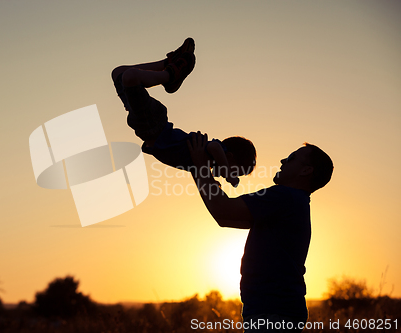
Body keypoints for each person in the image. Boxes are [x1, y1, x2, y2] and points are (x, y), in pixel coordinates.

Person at [188, 133, 333, 332]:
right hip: (272, 312)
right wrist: (200, 169)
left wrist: (200, 166)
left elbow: (222, 209)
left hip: (272, 314)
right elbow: (224, 218)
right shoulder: (292, 203)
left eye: (291, 158)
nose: (283, 160)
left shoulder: (283, 196)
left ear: (306, 170)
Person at [111, 38, 256, 186]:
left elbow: (200, 170)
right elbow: (215, 147)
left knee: (118, 73)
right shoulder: (211, 152)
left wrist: (211, 180)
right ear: (230, 157)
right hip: (154, 125)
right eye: (236, 172)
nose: (234, 176)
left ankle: (167, 64)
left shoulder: (203, 161)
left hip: (147, 126)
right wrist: (227, 174)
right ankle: (170, 76)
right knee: (130, 77)